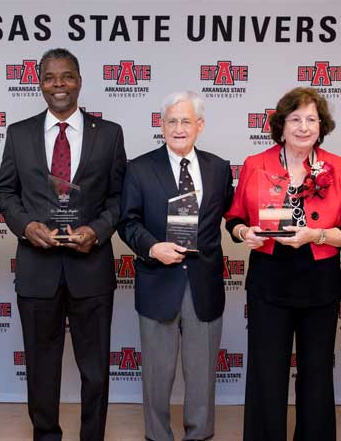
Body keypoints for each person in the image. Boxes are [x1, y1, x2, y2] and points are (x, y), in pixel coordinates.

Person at [0, 48, 126, 441]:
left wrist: (97, 231)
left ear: (80, 81)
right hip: (38, 269)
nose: (59, 85)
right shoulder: (19, 133)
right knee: (41, 366)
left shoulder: (111, 134)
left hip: (91, 267)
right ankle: (46, 435)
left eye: (67, 76)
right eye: (50, 77)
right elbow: (6, 192)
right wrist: (25, 225)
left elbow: (120, 197)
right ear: (39, 83)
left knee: (95, 369)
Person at [225, 87, 341, 440]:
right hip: (269, 281)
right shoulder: (257, 164)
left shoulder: (340, 167)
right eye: (296, 119)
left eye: (311, 119)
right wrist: (245, 234)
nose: (304, 127)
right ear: (281, 125)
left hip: (319, 282)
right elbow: (234, 218)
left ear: (322, 125)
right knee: (266, 373)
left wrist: (316, 236)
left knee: (317, 372)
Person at [118, 91, 233, 441]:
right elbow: (127, 221)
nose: (178, 128)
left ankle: (200, 434)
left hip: (204, 284)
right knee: (157, 372)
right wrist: (153, 247)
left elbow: (229, 218)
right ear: (161, 125)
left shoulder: (219, 168)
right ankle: (157, 435)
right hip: (158, 281)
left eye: (186, 121)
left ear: (199, 126)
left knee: (201, 374)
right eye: (171, 121)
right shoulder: (139, 168)